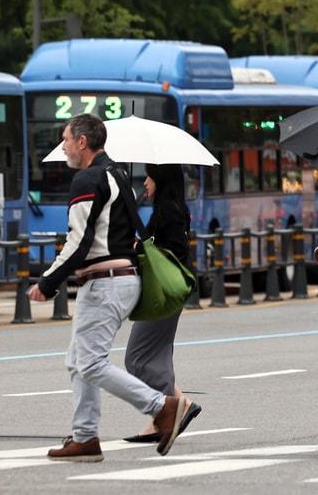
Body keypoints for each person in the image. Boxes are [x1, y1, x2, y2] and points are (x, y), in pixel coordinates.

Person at [28, 114, 198, 462]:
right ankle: (85, 437)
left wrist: (48, 283)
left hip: (105, 282)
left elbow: (78, 241)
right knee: (78, 361)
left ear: (82, 142)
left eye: (65, 139)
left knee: (89, 362)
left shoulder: (88, 179)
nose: (63, 147)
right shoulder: (116, 174)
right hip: (121, 279)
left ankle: (162, 408)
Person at [122, 164, 198, 443]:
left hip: (163, 292)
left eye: (150, 176)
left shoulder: (170, 211)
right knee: (157, 355)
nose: (145, 182)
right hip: (165, 292)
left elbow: (176, 250)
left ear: (162, 179)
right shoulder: (169, 208)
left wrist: (144, 248)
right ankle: (176, 408)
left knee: (137, 358)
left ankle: (168, 412)